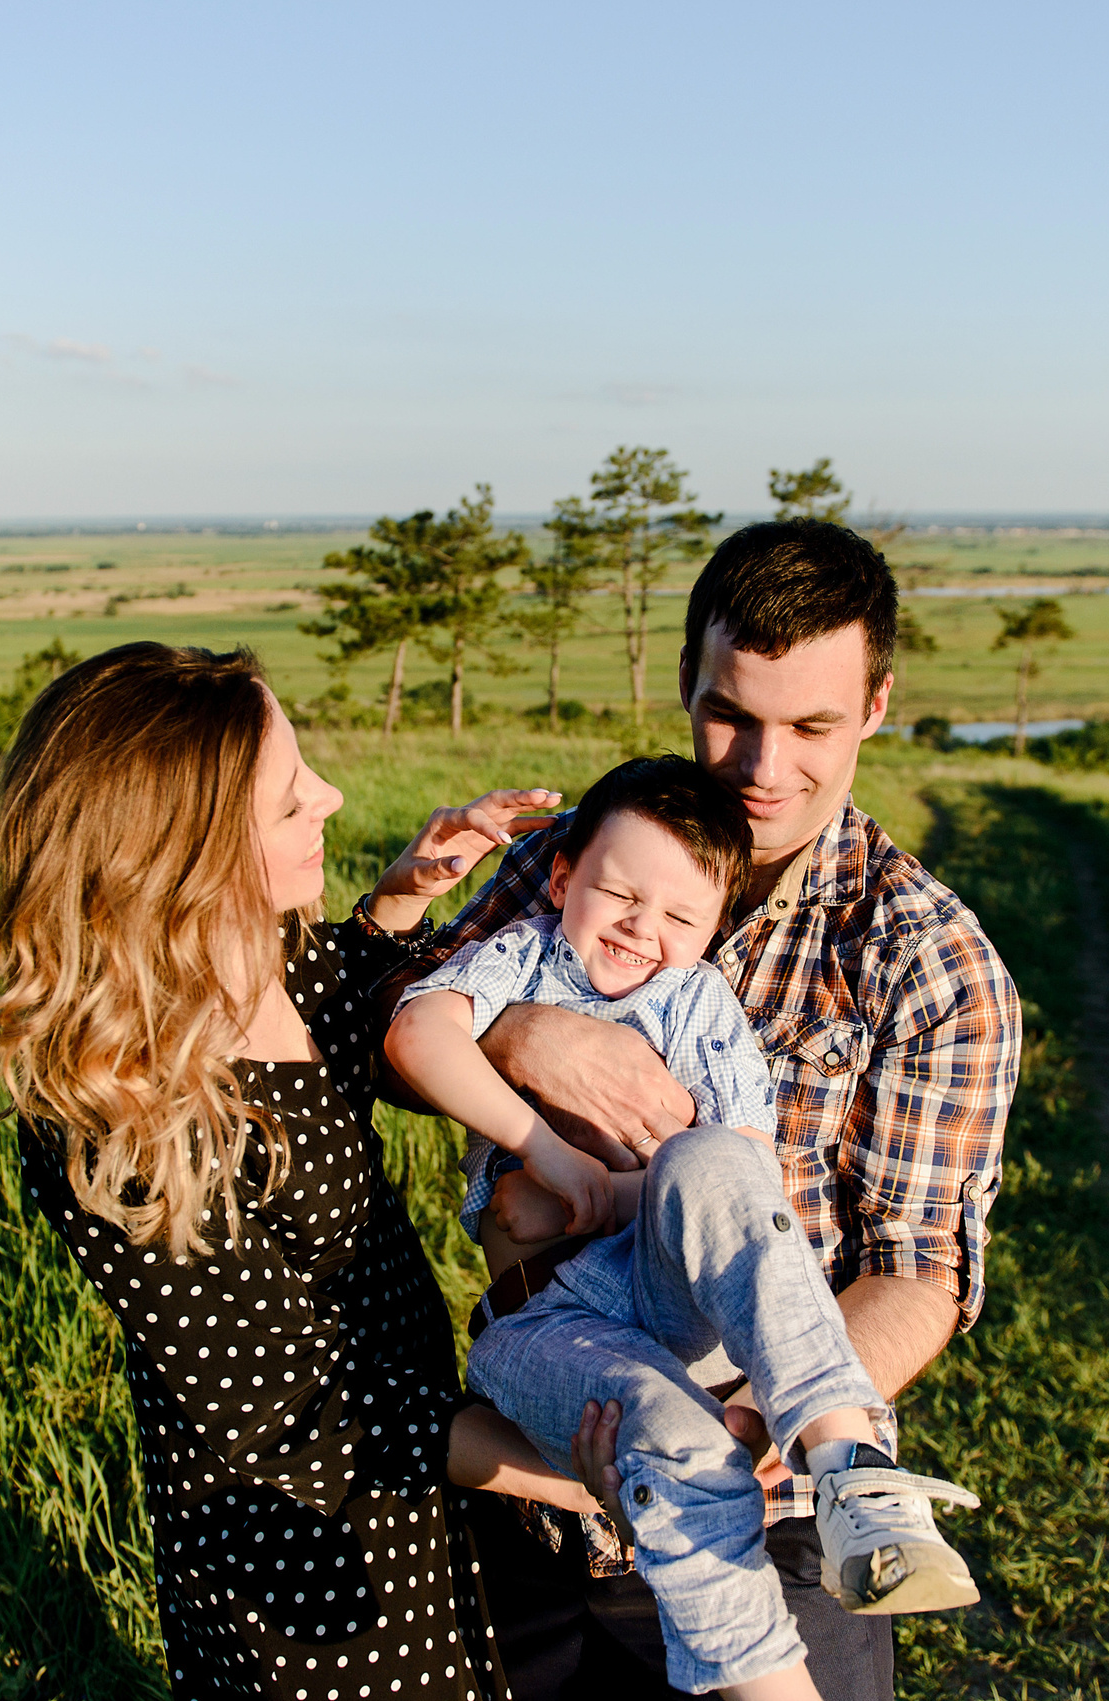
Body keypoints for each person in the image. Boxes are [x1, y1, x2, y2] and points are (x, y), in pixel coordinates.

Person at [391, 520, 1022, 1701]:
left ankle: (850, 1484)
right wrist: (525, 1031)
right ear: (687, 679)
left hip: (773, 1518)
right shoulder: (598, 851)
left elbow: (918, 1267)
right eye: (731, 713)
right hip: (536, 1463)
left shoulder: (930, 965)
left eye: (813, 726)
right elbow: (393, 1022)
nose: (761, 766)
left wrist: (726, 1425)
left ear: (877, 705)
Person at [0, 640, 609, 1700]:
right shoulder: (116, 1119)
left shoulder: (255, 948)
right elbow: (290, 1405)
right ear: (176, 853)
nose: (331, 795)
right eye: (285, 800)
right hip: (296, 1527)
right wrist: (586, 1472)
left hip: (420, 1456)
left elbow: (331, 1006)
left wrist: (400, 899)